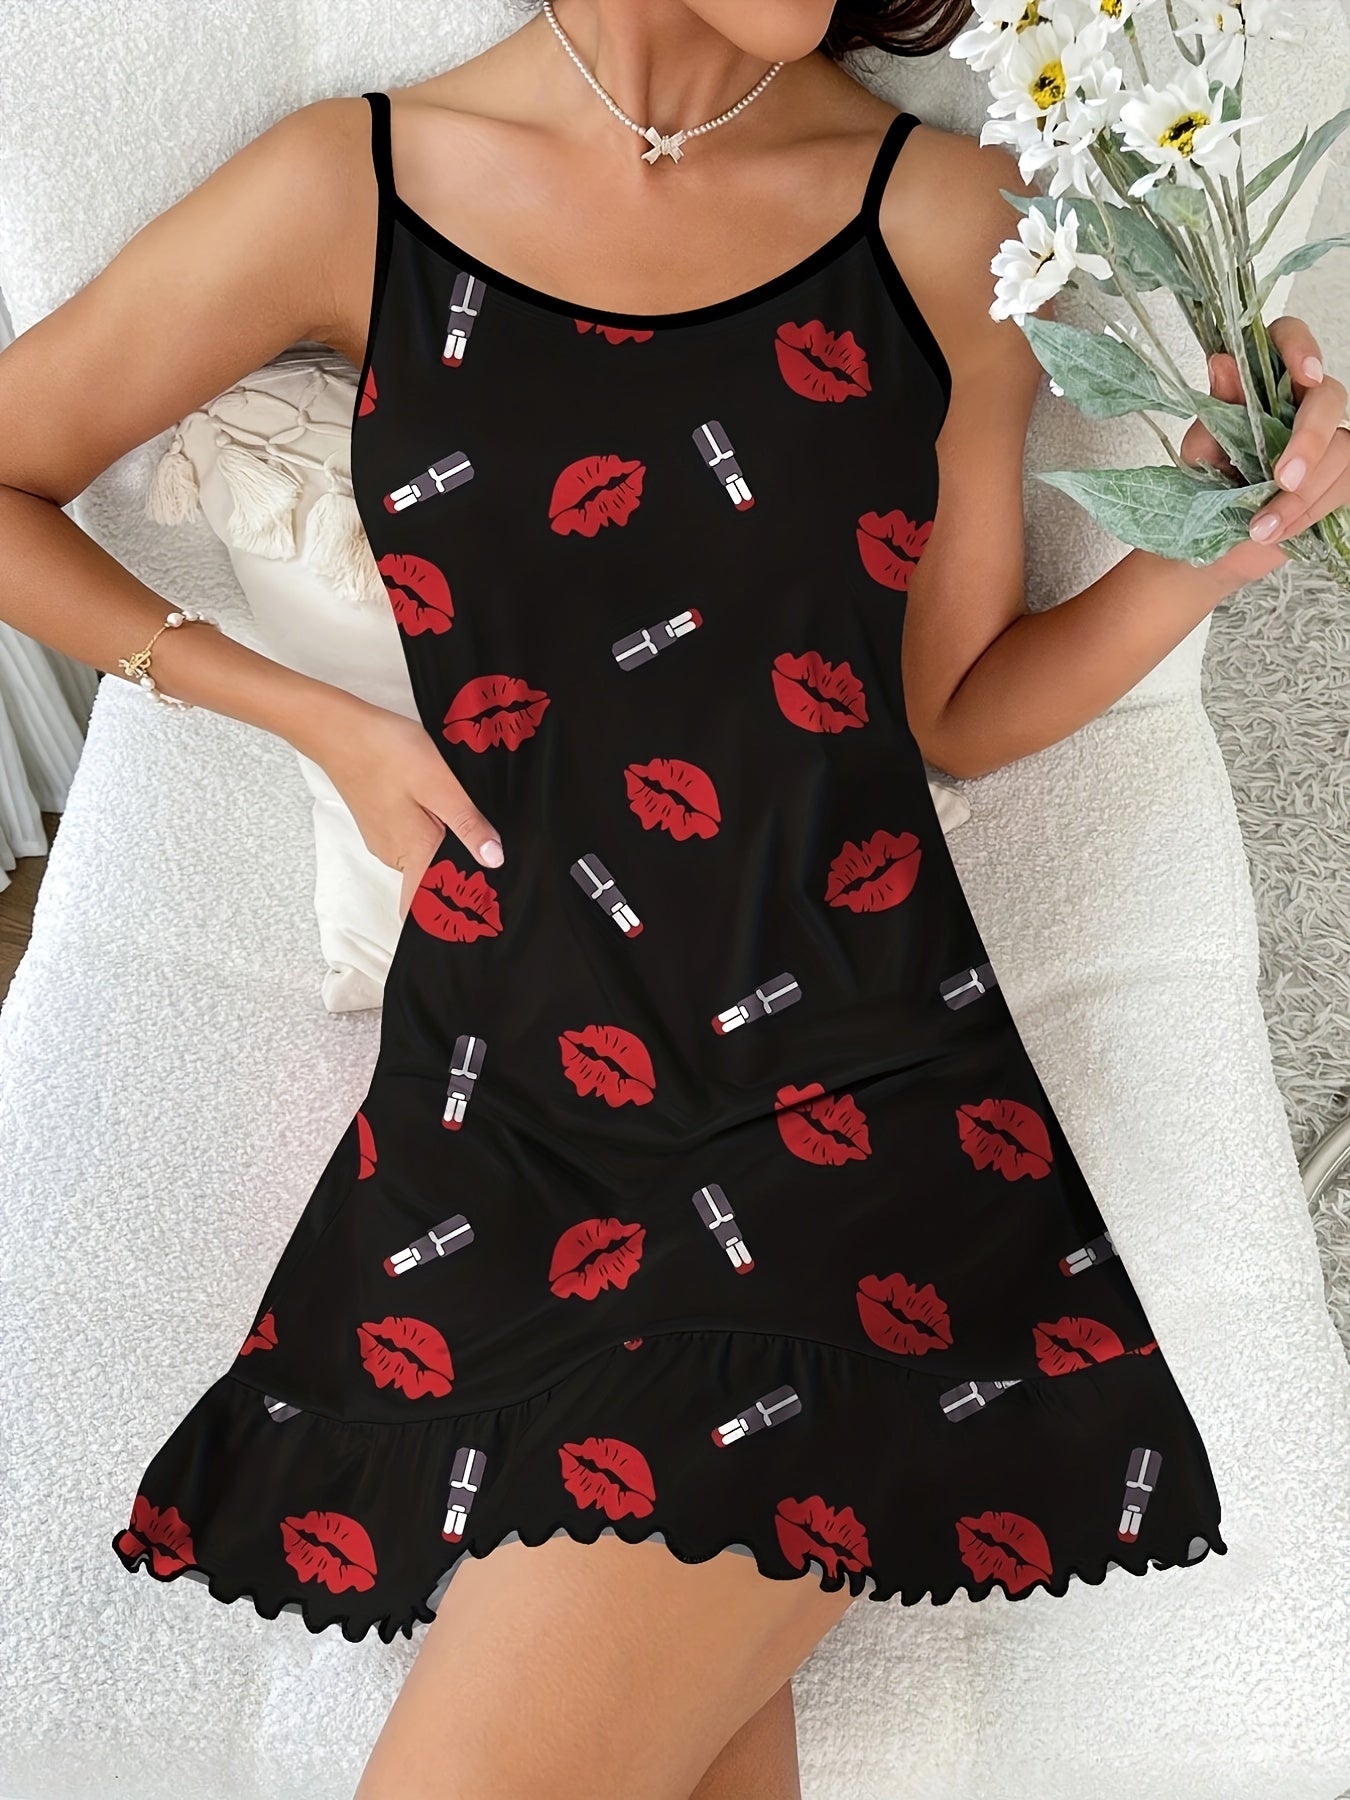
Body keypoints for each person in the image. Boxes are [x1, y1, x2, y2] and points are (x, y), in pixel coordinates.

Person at [1, 3, 1346, 1796]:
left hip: (843, 1101)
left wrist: (1219, 539)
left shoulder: (949, 216)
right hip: (498, 1114)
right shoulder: (352, 188)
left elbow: (947, 710)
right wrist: (306, 713)